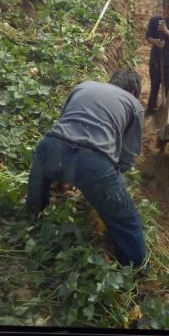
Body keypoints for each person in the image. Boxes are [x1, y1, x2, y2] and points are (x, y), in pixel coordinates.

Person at [26, 69, 146, 268]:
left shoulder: (84, 86)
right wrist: (107, 184)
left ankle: (32, 219)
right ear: (135, 92)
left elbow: (65, 124)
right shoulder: (134, 105)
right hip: (95, 163)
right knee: (126, 222)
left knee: (39, 184)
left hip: (51, 147)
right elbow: (127, 156)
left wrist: (68, 175)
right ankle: (135, 268)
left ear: (110, 81)